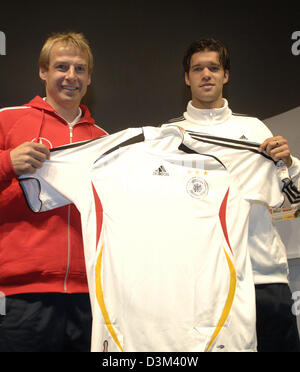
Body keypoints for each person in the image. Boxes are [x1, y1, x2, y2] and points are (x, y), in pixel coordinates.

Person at [162, 37, 300, 352]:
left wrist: (288, 163)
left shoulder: (254, 130)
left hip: (263, 277)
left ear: (226, 75)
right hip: (202, 285)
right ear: (187, 78)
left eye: (214, 67)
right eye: (198, 69)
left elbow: (294, 191)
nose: (206, 74)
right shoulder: (168, 137)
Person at [0, 32, 108, 351]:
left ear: (89, 77)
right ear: (43, 71)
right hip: (21, 295)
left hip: (88, 295)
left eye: (80, 69)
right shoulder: (8, 120)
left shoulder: (103, 139)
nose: (71, 77)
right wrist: (7, 162)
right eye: (61, 67)